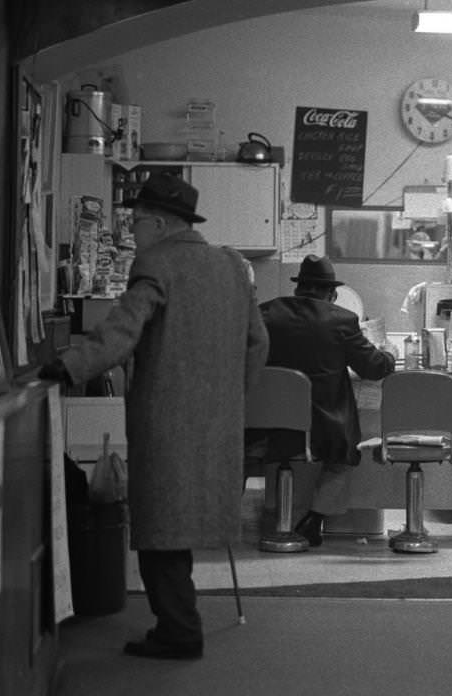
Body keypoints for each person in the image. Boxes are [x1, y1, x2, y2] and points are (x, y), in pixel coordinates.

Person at [39, 172, 269, 660]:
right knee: (182, 522)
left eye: (136, 222)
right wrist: (232, 397)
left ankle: (179, 631)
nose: (132, 232)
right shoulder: (232, 265)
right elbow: (258, 342)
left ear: (160, 223)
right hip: (219, 422)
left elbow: (121, 332)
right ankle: (179, 624)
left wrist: (68, 366)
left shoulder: (156, 263)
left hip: (166, 420)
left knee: (160, 527)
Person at [256, 254, 396, 547]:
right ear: (332, 294)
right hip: (323, 427)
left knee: (278, 448)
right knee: (344, 452)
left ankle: (263, 517)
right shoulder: (342, 320)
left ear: (297, 289)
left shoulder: (265, 312)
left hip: (264, 423)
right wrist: (389, 354)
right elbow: (373, 368)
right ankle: (314, 518)